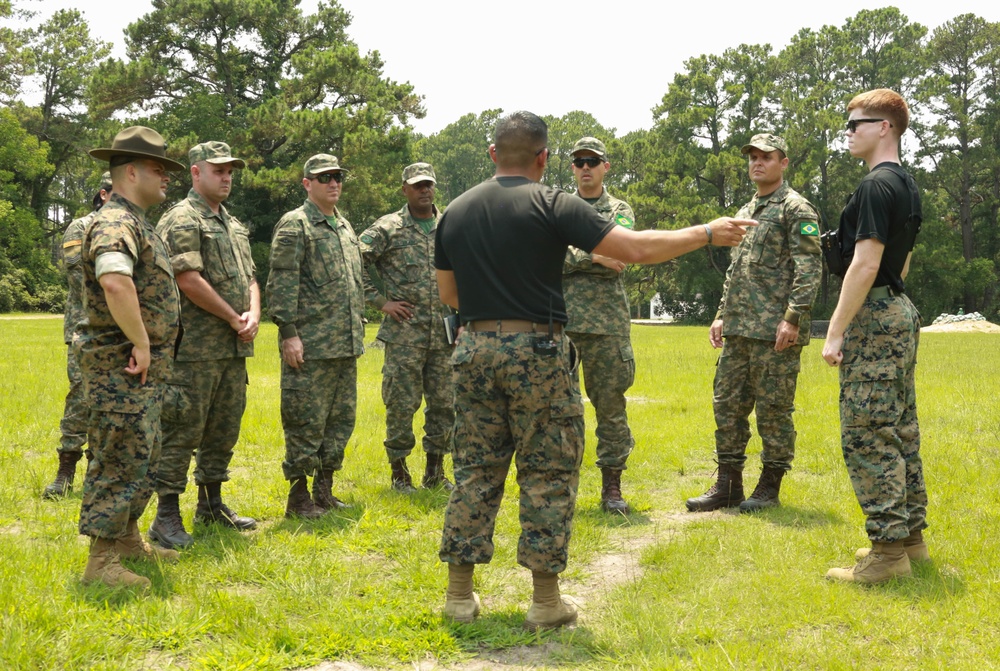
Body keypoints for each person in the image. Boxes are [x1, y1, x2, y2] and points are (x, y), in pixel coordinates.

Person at [435, 110, 754, 630]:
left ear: (493, 154)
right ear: (543, 157)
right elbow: (632, 248)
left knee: (475, 467)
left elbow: (448, 294)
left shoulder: (457, 211)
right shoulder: (553, 204)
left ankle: (458, 595)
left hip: (472, 348)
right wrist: (706, 232)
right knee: (547, 469)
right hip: (536, 350)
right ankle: (544, 602)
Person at [822, 89, 928, 583]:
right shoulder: (907, 184)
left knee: (868, 432)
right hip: (899, 309)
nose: (848, 132)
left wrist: (836, 332)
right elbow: (901, 261)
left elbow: (865, 263)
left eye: (854, 123)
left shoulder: (873, 187)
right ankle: (910, 541)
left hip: (875, 315)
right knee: (900, 427)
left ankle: (887, 557)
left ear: (884, 127)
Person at [686, 133, 822, 514]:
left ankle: (769, 487)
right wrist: (720, 314)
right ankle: (728, 486)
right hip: (739, 330)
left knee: (774, 410)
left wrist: (792, 319)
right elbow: (737, 270)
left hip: (774, 333)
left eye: (766, 156)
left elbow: (810, 269)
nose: (757, 163)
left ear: (784, 162)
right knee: (726, 406)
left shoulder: (796, 209)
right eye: (752, 157)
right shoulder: (747, 209)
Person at [76, 126, 185, 588]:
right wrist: (141, 342)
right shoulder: (115, 222)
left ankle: (125, 541)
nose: (167, 178)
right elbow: (115, 281)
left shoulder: (140, 223)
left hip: (141, 373)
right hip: (119, 369)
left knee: (142, 456)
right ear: (131, 171)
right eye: (159, 169)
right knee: (119, 459)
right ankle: (100, 566)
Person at [149, 141, 259, 550]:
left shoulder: (233, 224)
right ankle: (166, 516)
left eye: (230, 170)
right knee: (181, 432)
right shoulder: (182, 217)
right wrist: (234, 318)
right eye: (218, 170)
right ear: (196, 173)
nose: (227, 177)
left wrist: (253, 313)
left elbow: (250, 277)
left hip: (232, 350)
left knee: (223, 430)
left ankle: (211, 505)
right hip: (193, 349)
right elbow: (187, 278)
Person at [266, 154, 365, 518]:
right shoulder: (296, 225)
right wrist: (289, 333)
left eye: (338, 176)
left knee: (340, 422)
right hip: (311, 346)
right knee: (304, 422)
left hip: (344, 345)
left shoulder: (344, 226)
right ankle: (298, 498)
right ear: (307, 184)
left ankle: (324, 491)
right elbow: (281, 281)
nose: (334, 183)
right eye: (325, 178)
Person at [359, 162, 455, 493]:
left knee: (444, 404)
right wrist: (380, 302)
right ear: (404, 189)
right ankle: (399, 473)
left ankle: (435, 471)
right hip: (405, 334)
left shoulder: (449, 226)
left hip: (445, 334)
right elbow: (353, 260)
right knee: (401, 404)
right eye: (417, 185)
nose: (424, 190)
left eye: (428, 184)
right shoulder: (389, 228)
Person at [562, 137, 638, 514]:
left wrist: (573, 254)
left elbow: (621, 251)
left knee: (610, 408)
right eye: (579, 162)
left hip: (608, 326)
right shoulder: (556, 207)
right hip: (560, 325)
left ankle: (612, 487)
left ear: (606, 166)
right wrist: (593, 254)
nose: (586, 167)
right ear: (572, 167)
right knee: (559, 408)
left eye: (593, 161)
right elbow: (543, 256)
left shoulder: (618, 209)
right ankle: (561, 484)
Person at [44, 172, 113, 499]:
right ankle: (66, 469)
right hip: (85, 329)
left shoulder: (135, 227)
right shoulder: (80, 228)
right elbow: (81, 280)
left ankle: (99, 469)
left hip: (123, 332)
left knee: (113, 402)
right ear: (103, 194)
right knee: (81, 396)